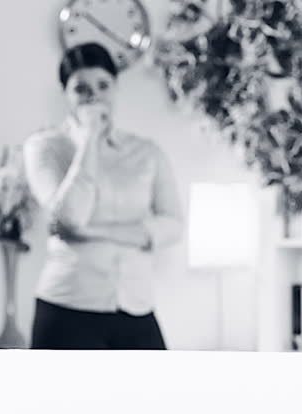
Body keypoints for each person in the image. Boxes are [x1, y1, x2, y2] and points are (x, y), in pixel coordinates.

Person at [23, 43, 183, 349]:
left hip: (136, 306)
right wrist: (89, 140)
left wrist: (93, 232)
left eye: (102, 85)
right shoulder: (45, 148)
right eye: (81, 88)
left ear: (116, 88)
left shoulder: (146, 152)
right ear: (65, 94)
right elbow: (71, 216)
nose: (93, 96)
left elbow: (173, 224)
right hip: (68, 306)